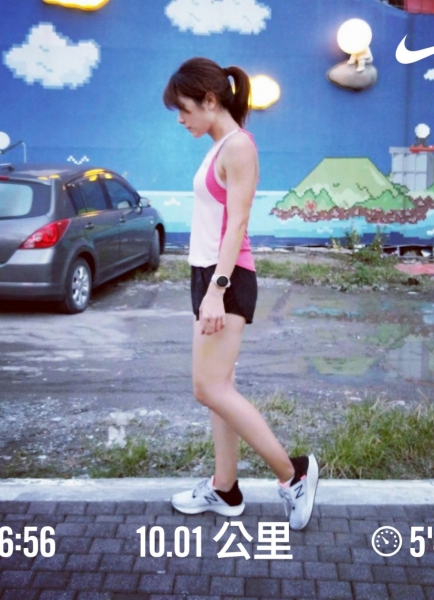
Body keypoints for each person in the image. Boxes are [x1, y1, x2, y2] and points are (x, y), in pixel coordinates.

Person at [162, 57, 318, 530]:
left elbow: (238, 225)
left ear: (210, 100)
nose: (180, 119)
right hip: (209, 274)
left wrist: (217, 289)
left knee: (207, 387)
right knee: (220, 388)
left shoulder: (239, 147)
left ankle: (294, 474)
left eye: (184, 108)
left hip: (225, 278)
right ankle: (225, 488)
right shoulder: (219, 146)